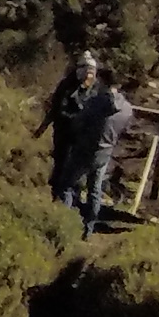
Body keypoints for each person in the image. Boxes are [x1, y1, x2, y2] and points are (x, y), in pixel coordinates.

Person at [63, 69, 139, 239]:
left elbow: (78, 122)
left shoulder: (95, 102)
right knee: (94, 191)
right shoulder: (126, 108)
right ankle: (87, 231)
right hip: (105, 153)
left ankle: (62, 225)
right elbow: (125, 129)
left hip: (85, 150)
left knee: (67, 186)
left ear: (103, 81)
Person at [37, 51, 99, 201]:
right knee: (61, 164)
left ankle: (71, 199)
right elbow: (57, 109)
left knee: (76, 171)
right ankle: (56, 196)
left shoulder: (94, 88)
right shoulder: (67, 85)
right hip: (64, 132)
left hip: (82, 136)